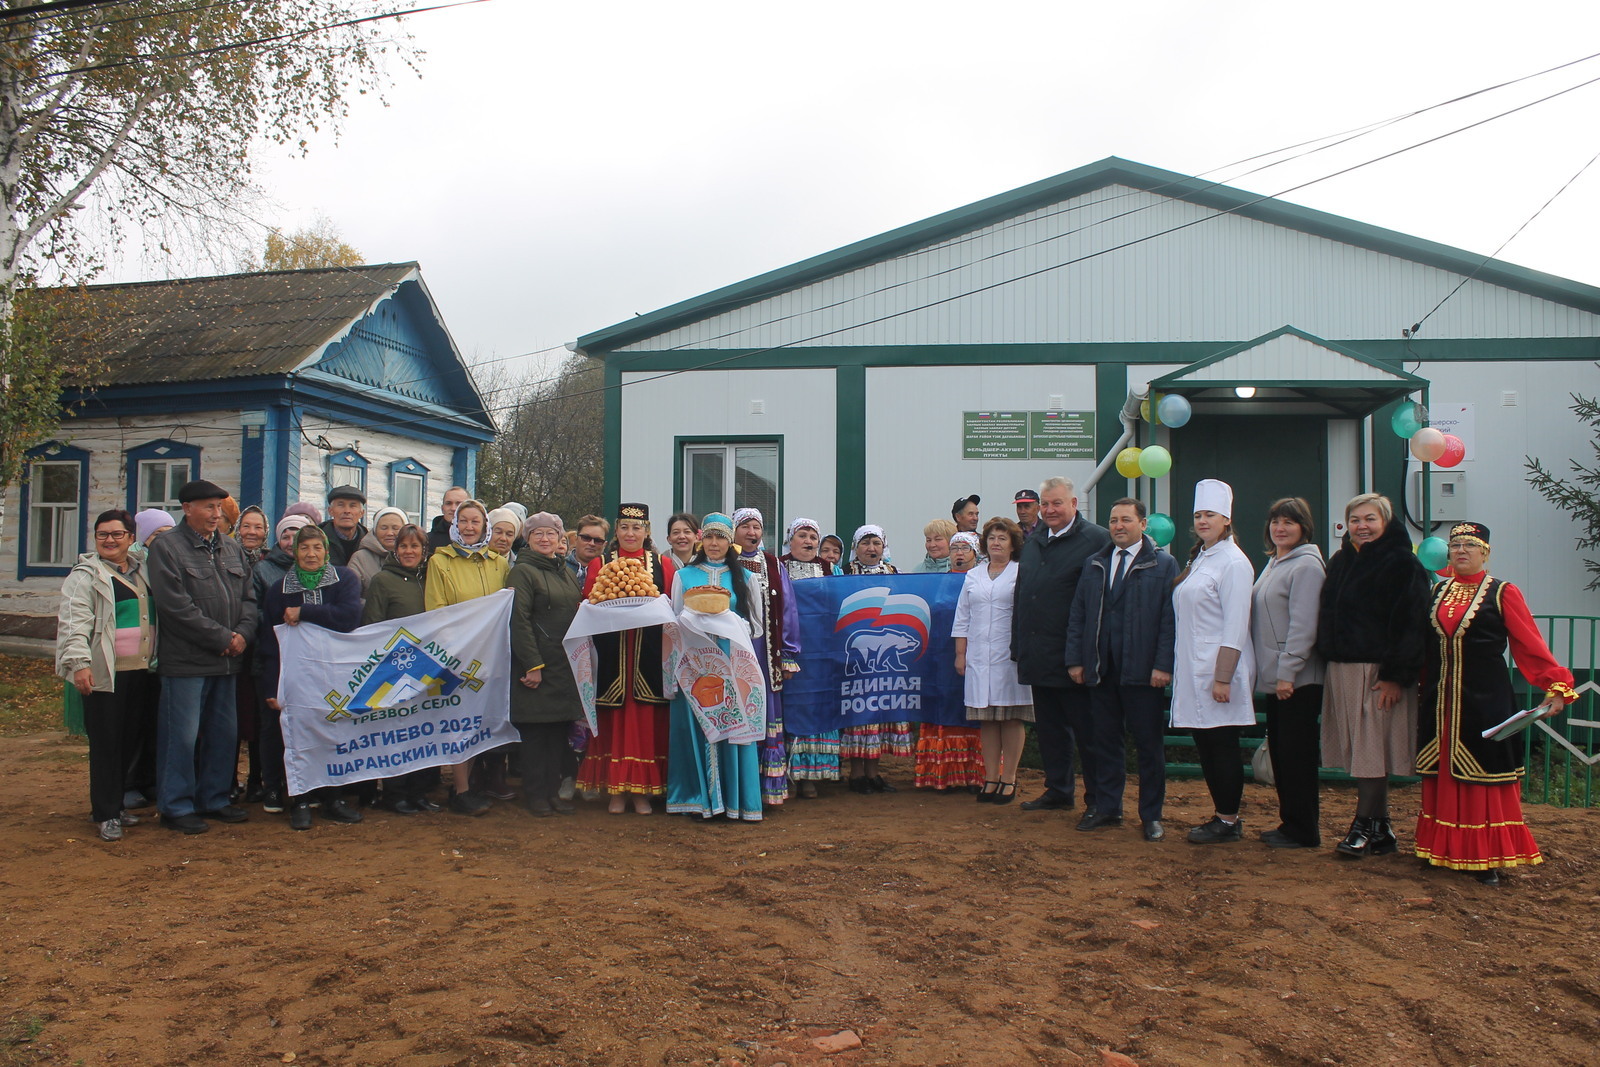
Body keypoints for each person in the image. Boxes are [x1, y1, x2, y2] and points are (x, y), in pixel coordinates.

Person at [1415, 522, 1578, 886]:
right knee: (1442, 774)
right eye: (1455, 545)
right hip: (1442, 703)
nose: (1460, 551)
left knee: (1483, 776)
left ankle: (1484, 857)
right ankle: (1439, 850)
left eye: (1469, 546)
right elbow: (1426, 649)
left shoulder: (1503, 592)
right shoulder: (1437, 591)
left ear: (1484, 553)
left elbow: (1529, 644)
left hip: (1485, 700)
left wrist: (1556, 685)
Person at [1316, 492, 1430, 858]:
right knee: (1364, 750)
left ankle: (1362, 824)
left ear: (1385, 521)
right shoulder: (1342, 561)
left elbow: (1411, 623)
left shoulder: (1402, 563)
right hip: (1344, 669)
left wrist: (1397, 675)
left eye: (1369, 519)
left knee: (1370, 751)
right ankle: (1382, 830)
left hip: (1379, 672)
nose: (1362, 527)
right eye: (1355, 520)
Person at [145, 479, 257, 834]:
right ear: (187, 508)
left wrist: (242, 634)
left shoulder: (230, 548)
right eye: (208, 507)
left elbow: (249, 599)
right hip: (186, 664)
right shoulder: (167, 548)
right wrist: (222, 637)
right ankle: (176, 806)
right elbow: (175, 606)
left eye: (219, 507)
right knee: (181, 736)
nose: (215, 514)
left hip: (228, 662)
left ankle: (215, 798)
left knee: (223, 734)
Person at [1066, 498, 1178, 841]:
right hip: (1102, 669)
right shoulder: (1096, 563)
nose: (1118, 526)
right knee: (1104, 743)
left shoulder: (1163, 564)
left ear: (1143, 525)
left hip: (1143, 672)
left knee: (1148, 746)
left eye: (1126, 520)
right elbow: (1079, 614)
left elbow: (1169, 620)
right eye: (1113, 520)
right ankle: (1109, 808)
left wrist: (1163, 665)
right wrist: (1076, 659)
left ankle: (1151, 816)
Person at [1011, 476, 1111, 813]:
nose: (1050, 510)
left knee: (1089, 735)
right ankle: (1058, 790)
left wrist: (1083, 656)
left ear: (1073, 504)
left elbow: (1101, 603)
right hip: (1039, 654)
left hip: (1076, 660)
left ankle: (1099, 801)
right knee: (1051, 731)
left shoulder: (1096, 540)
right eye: (1045, 504)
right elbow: (1023, 593)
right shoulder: (1035, 539)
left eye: (1057, 503)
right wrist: (1018, 646)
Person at [56, 509, 156, 842]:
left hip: (140, 671)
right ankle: (105, 813)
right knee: (106, 744)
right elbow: (74, 623)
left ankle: (117, 803)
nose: (109, 541)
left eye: (117, 534)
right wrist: (80, 663)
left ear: (131, 538)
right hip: (105, 674)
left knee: (129, 740)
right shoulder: (85, 576)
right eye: (102, 535)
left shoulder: (142, 572)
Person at [258, 525, 365, 830]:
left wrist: (303, 611)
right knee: (297, 737)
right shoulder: (279, 588)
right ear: (294, 551)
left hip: (335, 675)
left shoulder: (344, 579)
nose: (311, 554)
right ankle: (301, 799)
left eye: (317, 547)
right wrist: (271, 685)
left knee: (335, 733)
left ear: (326, 550)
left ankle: (334, 798)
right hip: (295, 678)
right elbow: (269, 641)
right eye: (304, 548)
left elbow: (348, 618)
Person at [1171, 480, 1257, 844]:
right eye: (1198, 515)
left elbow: (1236, 626)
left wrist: (1223, 678)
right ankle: (1222, 813)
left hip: (1218, 671)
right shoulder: (1202, 556)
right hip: (1195, 668)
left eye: (1210, 515)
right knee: (1207, 745)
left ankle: (1228, 819)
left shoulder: (1234, 563)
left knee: (1221, 745)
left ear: (1226, 519)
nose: (1203, 521)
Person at [577, 503, 674, 815]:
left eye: (637, 528)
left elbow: (673, 607)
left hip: (648, 655)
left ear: (646, 532)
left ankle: (642, 791)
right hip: (612, 654)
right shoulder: (600, 563)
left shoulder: (663, 564)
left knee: (645, 721)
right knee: (614, 719)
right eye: (624, 528)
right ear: (616, 531)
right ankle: (616, 791)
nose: (630, 534)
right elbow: (588, 603)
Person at [666, 513, 764, 820]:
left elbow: (757, 626)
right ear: (700, 539)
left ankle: (734, 801)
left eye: (720, 537)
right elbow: (674, 621)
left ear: (730, 541)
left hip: (731, 663)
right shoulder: (684, 576)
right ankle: (698, 800)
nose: (714, 543)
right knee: (696, 727)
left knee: (731, 724)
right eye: (708, 536)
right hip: (694, 665)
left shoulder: (745, 578)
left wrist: (729, 624)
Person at [1250, 497, 1327, 849]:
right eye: (1275, 521)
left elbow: (1303, 625)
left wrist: (1288, 671)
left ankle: (1304, 830)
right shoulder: (1275, 563)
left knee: (1297, 757)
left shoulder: (1306, 567)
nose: (1280, 528)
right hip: (1276, 678)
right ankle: (1289, 823)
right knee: (1282, 753)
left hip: (1297, 680)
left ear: (1303, 528)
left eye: (1289, 523)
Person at [426, 498, 511, 815]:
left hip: (492, 656)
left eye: (476, 521)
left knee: (478, 722)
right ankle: (461, 789)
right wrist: (454, 651)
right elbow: (436, 611)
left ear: (485, 526)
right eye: (464, 521)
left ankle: (467, 784)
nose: (470, 527)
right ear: (455, 525)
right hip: (458, 655)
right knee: (458, 722)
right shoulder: (440, 561)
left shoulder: (498, 563)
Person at [508, 512, 585, 817]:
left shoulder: (564, 570)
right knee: (536, 735)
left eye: (550, 534)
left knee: (557, 733)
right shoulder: (522, 572)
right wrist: (531, 664)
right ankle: (536, 794)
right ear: (528, 539)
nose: (544, 539)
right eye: (537, 534)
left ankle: (553, 792)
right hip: (538, 664)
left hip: (563, 663)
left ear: (560, 539)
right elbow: (519, 619)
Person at [951, 516, 1032, 805]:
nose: (996, 543)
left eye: (1002, 538)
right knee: (986, 720)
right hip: (977, 658)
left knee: (1011, 717)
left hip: (1010, 656)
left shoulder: (1021, 572)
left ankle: (1008, 778)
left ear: (1013, 544)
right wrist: (961, 654)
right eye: (992, 538)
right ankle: (990, 778)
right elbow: (962, 617)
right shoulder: (974, 575)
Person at [361, 523, 440, 814]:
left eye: (414, 546)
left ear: (424, 550)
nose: (409, 552)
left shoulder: (430, 577)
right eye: (403, 546)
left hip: (427, 666)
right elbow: (373, 623)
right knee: (397, 732)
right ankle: (394, 794)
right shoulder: (383, 580)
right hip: (395, 668)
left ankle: (418, 791)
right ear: (395, 550)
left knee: (422, 732)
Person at [732, 507, 799, 807]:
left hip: (767, 652)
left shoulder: (773, 564)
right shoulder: (727, 563)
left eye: (756, 527)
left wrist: (787, 652)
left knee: (767, 712)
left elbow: (788, 610)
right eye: (745, 526)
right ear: (734, 532)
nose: (751, 532)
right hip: (735, 653)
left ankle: (766, 789)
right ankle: (739, 787)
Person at [840, 524, 912, 792]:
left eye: (876, 543)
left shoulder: (895, 573)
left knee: (880, 712)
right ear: (855, 548)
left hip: (885, 658)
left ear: (884, 547)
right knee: (857, 711)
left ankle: (874, 773)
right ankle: (856, 774)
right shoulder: (844, 573)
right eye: (865, 543)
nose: (871, 549)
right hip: (858, 654)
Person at [252, 512, 311, 814]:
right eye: (287, 536)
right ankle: (272, 787)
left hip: (312, 668)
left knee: (307, 729)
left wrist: (305, 617)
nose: (293, 543)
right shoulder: (267, 575)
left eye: (300, 538)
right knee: (274, 728)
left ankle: (304, 786)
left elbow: (345, 617)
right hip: (276, 662)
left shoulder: (332, 580)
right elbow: (263, 625)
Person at [779, 517, 838, 797]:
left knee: (816, 706)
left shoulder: (831, 570)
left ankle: (811, 774)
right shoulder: (777, 566)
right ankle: (788, 774)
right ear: (790, 540)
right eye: (802, 535)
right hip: (789, 650)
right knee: (789, 708)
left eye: (813, 536)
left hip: (821, 651)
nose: (808, 541)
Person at [232, 504, 271, 802]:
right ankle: (228, 780)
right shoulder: (225, 556)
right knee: (231, 719)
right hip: (232, 646)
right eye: (247, 526)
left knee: (258, 720)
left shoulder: (269, 562)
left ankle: (257, 778)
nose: (252, 532)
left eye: (258, 527)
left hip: (259, 650)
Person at [348, 506, 407, 592]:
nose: (389, 533)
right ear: (375, 531)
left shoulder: (413, 557)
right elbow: (350, 595)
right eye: (384, 528)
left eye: (395, 528)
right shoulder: (360, 558)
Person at [320, 485, 367, 567]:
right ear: (330, 511)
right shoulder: (318, 540)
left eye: (353, 506)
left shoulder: (368, 543)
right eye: (341, 505)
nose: (347, 511)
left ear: (362, 513)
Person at [568, 514, 609, 582]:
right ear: (576, 539)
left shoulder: (611, 571)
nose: (591, 543)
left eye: (598, 540)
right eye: (586, 538)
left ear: (605, 544)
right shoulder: (559, 568)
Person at [429, 485, 470, 550]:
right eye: (448, 503)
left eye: (458, 504)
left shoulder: (478, 541)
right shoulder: (427, 541)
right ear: (442, 508)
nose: (453, 508)